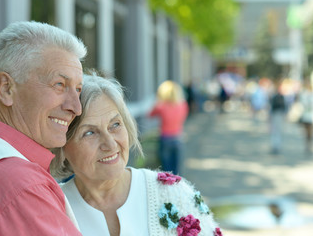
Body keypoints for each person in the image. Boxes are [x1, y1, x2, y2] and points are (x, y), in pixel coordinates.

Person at [0, 21, 87, 235]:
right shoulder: (20, 184)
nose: (76, 107)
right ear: (6, 88)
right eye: (59, 85)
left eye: (78, 89)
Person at [50, 73, 222, 236]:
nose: (110, 144)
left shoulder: (174, 195)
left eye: (115, 124)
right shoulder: (49, 207)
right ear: (61, 145)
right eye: (89, 133)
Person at [148, 80, 189, 175]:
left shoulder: (161, 106)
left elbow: (150, 115)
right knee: (177, 170)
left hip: (165, 138)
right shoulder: (183, 105)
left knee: (166, 170)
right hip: (178, 137)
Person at [269, 81, 287, 154]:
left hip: (276, 115)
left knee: (276, 131)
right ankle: (276, 146)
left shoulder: (276, 97)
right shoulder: (279, 97)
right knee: (277, 131)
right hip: (277, 115)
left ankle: (276, 146)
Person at [298, 81, 313, 155]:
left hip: (310, 116)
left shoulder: (312, 96)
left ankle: (309, 145)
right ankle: (308, 145)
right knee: (307, 132)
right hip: (307, 116)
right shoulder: (305, 95)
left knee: (310, 132)